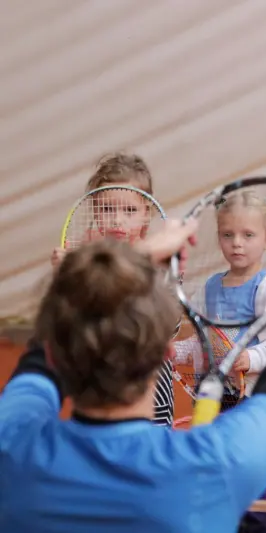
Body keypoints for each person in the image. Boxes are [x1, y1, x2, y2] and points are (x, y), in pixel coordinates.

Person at [0, 219, 266, 533]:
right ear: (165, 354)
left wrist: (130, 260)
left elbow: (43, 350)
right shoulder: (212, 463)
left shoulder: (11, 443)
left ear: (55, 354)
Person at [172, 190, 266, 532]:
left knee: (249, 479)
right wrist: (176, 352)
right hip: (211, 401)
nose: (237, 243)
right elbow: (203, 341)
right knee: (212, 474)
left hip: (250, 402)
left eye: (248, 235)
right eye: (228, 234)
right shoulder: (209, 288)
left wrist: (248, 358)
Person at [51, 153, 178, 427]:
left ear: (147, 212)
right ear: (94, 209)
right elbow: (72, 321)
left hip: (149, 390)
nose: (117, 220)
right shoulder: (85, 259)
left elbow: (170, 325)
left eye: (129, 211)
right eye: (107, 209)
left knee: (150, 449)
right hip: (99, 385)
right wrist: (65, 279)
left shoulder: (161, 262)